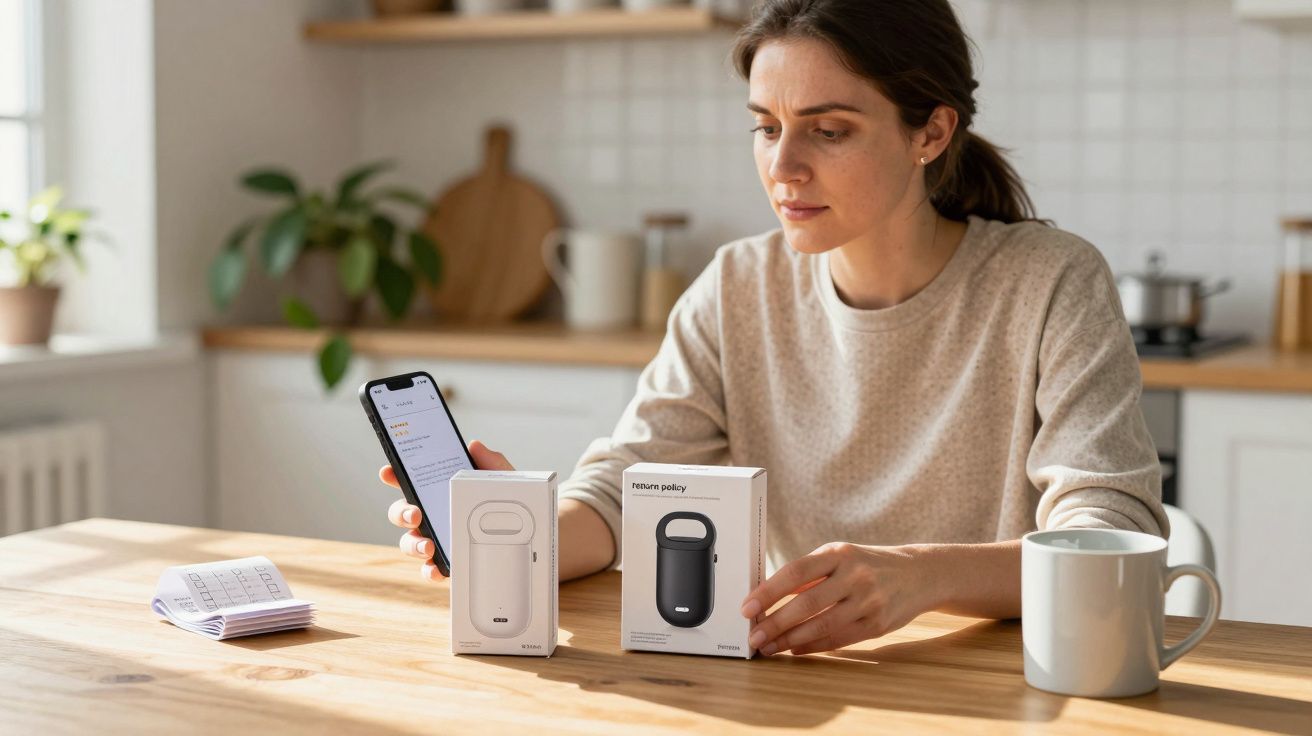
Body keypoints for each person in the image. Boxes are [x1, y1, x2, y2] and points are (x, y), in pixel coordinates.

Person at [377, 0, 1166, 658]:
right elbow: (621, 492)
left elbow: (1109, 533)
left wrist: (922, 575)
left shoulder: (1050, 280)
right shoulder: (736, 285)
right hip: (796, 680)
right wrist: (511, 536)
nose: (783, 165)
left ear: (930, 133)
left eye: (828, 130)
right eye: (766, 126)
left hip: (999, 682)